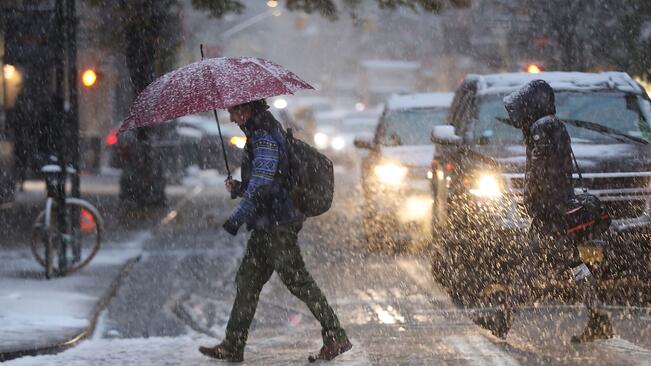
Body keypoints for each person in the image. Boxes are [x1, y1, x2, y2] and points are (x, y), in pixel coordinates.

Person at [199, 99, 352, 362]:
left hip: (277, 224)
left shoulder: (264, 137)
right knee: (247, 282)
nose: (231, 118)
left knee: (298, 281)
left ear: (246, 109)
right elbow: (266, 181)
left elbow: (262, 184)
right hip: (266, 224)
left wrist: (237, 217)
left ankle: (336, 335)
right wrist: (238, 188)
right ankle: (233, 345)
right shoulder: (262, 133)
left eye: (233, 112)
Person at [474, 79, 613, 343]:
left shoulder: (542, 129)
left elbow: (542, 174)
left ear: (531, 105)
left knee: (529, 267)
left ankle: (505, 319)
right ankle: (598, 317)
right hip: (559, 209)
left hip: (551, 214)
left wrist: (539, 207)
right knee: (575, 265)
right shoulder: (552, 125)